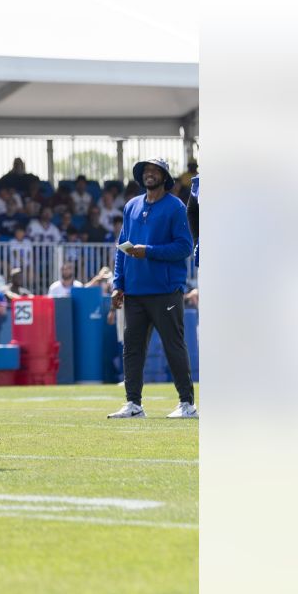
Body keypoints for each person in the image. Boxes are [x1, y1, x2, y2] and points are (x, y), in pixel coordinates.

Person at [107, 158, 197, 419]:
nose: (149, 174)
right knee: (132, 349)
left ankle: (187, 405)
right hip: (134, 292)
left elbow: (183, 247)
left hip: (165, 291)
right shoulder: (131, 206)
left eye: (155, 171)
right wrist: (117, 285)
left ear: (164, 177)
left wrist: (149, 252)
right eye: (146, 171)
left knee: (173, 346)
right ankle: (133, 404)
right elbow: (122, 250)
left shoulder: (175, 207)